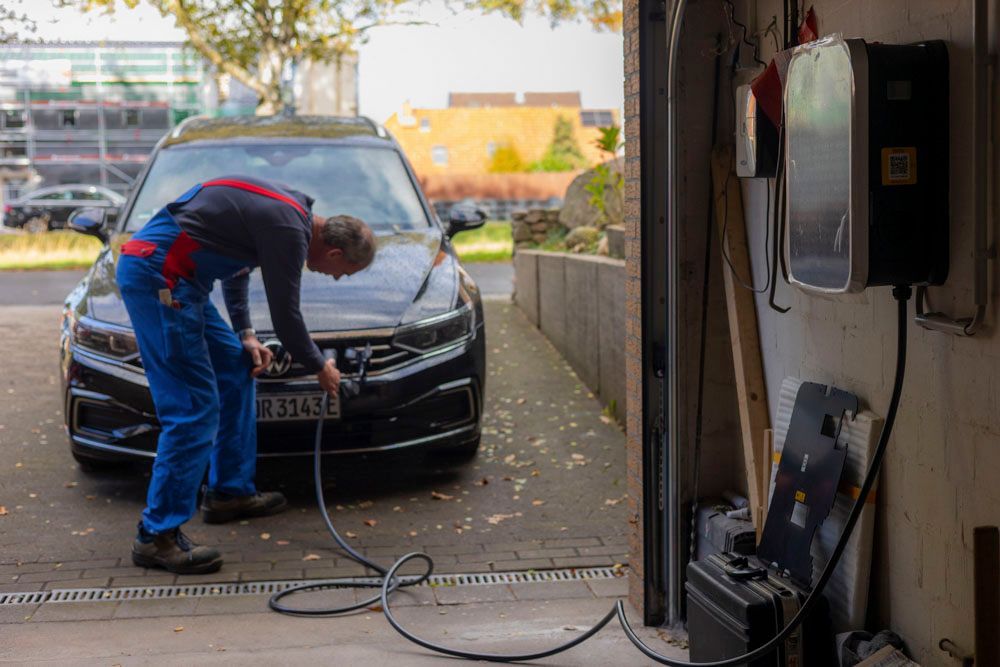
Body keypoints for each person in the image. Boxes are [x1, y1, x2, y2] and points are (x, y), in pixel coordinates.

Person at [116, 175, 376, 574]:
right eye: (342, 272)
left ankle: (228, 493)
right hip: (160, 278)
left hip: (183, 281)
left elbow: (235, 269)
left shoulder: (291, 214)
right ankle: (156, 537)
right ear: (336, 252)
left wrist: (246, 335)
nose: (335, 278)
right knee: (192, 409)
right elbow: (287, 319)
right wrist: (320, 365)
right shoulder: (290, 229)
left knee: (238, 366)